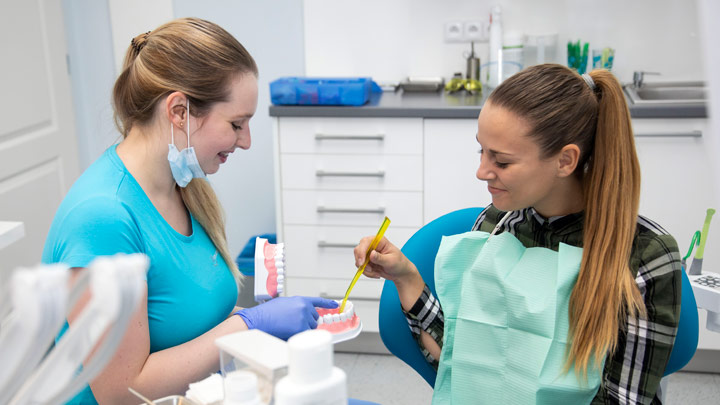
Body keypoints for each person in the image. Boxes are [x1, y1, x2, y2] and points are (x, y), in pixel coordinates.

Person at [42, 18, 336, 404]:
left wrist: (258, 321)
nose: (245, 142)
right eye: (237, 124)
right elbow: (121, 393)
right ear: (179, 111)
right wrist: (247, 325)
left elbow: (187, 310)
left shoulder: (185, 186)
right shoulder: (103, 219)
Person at [354, 64, 681, 404]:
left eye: (502, 161)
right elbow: (461, 366)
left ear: (565, 161)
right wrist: (407, 278)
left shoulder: (645, 255)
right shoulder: (496, 225)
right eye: (481, 151)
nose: (482, 172)